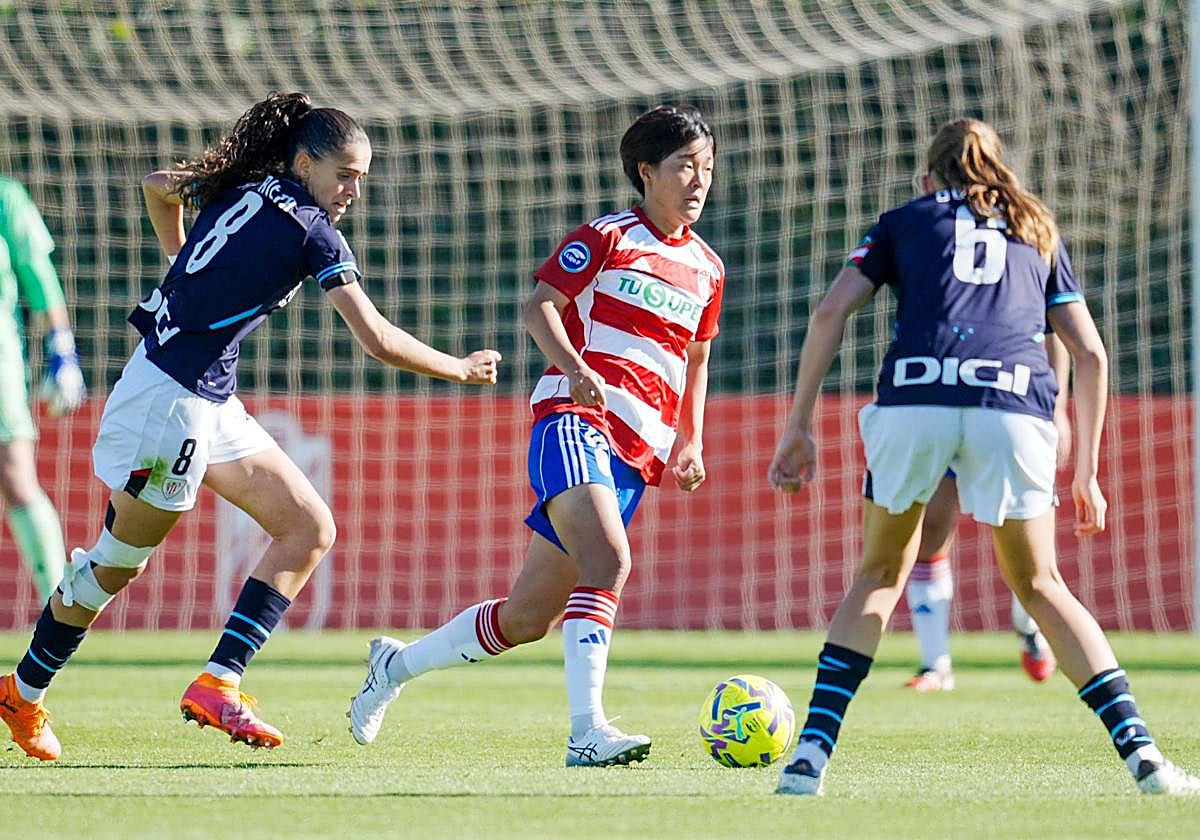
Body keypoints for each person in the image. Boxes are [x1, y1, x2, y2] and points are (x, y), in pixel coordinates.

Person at [0, 92, 502, 762]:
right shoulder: (313, 230)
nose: (353, 190)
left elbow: (159, 188)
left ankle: (219, 680)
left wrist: (183, 268)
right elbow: (376, 339)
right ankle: (24, 692)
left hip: (202, 393)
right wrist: (462, 369)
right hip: (168, 401)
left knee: (308, 527)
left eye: (361, 178)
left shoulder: (244, 184)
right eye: (344, 174)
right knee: (114, 566)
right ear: (303, 161)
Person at [768, 118, 1200, 796]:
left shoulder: (904, 220)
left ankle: (808, 760)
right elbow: (1089, 353)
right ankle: (1144, 757)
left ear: (928, 179)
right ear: (999, 172)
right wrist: (1085, 468)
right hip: (1014, 405)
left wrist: (798, 425)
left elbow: (830, 313)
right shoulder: (1035, 227)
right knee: (1042, 586)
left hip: (916, 398)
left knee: (880, 573)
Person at [349, 104, 724, 767]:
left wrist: (690, 441)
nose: (698, 180)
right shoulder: (608, 237)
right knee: (609, 561)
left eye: (708, 168)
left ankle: (394, 666)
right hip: (575, 421)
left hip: (640, 452)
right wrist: (576, 369)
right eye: (684, 166)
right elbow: (540, 305)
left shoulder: (707, 267)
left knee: (525, 619)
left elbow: (696, 358)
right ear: (646, 172)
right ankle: (587, 733)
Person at [904, 333, 1069, 692]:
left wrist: (1057, 408)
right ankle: (936, 664)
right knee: (931, 527)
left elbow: (1063, 333)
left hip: (1010, 408)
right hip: (941, 402)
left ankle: (1029, 626)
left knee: (1022, 539)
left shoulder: (1038, 273)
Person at [0, 177, 86, 603]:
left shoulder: (5, 198)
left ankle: (58, 605)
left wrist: (63, 351)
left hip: (0, 360)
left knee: (16, 476)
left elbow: (39, 276)